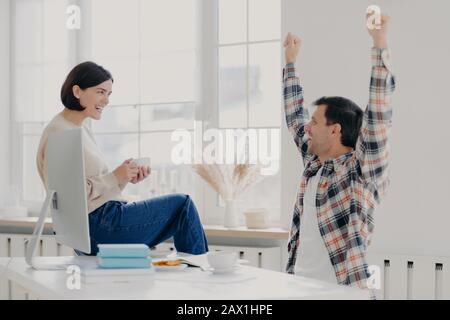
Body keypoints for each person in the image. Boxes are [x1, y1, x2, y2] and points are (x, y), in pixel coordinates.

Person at [36, 61, 208, 256]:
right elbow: (70, 199)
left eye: (109, 94)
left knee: (181, 212)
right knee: (182, 205)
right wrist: (115, 177)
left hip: (101, 221)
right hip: (100, 224)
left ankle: (199, 274)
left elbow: (93, 190)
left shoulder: (78, 129)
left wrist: (123, 177)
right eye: (101, 92)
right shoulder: (60, 133)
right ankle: (202, 274)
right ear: (77, 91)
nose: (107, 100)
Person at [283, 15, 396, 298]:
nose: (306, 127)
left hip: (341, 293)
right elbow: (293, 114)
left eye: (314, 122)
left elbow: (379, 117)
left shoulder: (361, 170)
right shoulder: (313, 163)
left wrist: (379, 44)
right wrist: (290, 63)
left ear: (334, 130)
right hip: (298, 286)